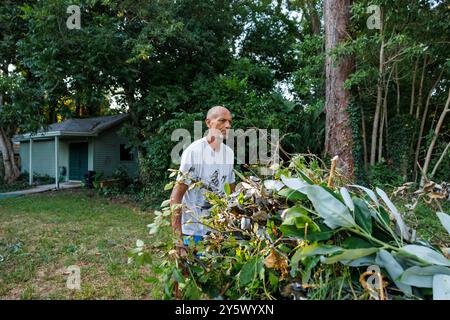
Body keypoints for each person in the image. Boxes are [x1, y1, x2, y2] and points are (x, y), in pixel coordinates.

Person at [169, 106, 236, 254]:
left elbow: (231, 192)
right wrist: (178, 240)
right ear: (208, 123)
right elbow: (176, 197)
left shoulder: (229, 154)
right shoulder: (194, 152)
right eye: (222, 121)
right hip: (194, 231)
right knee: (192, 274)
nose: (228, 125)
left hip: (218, 231)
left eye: (230, 122)